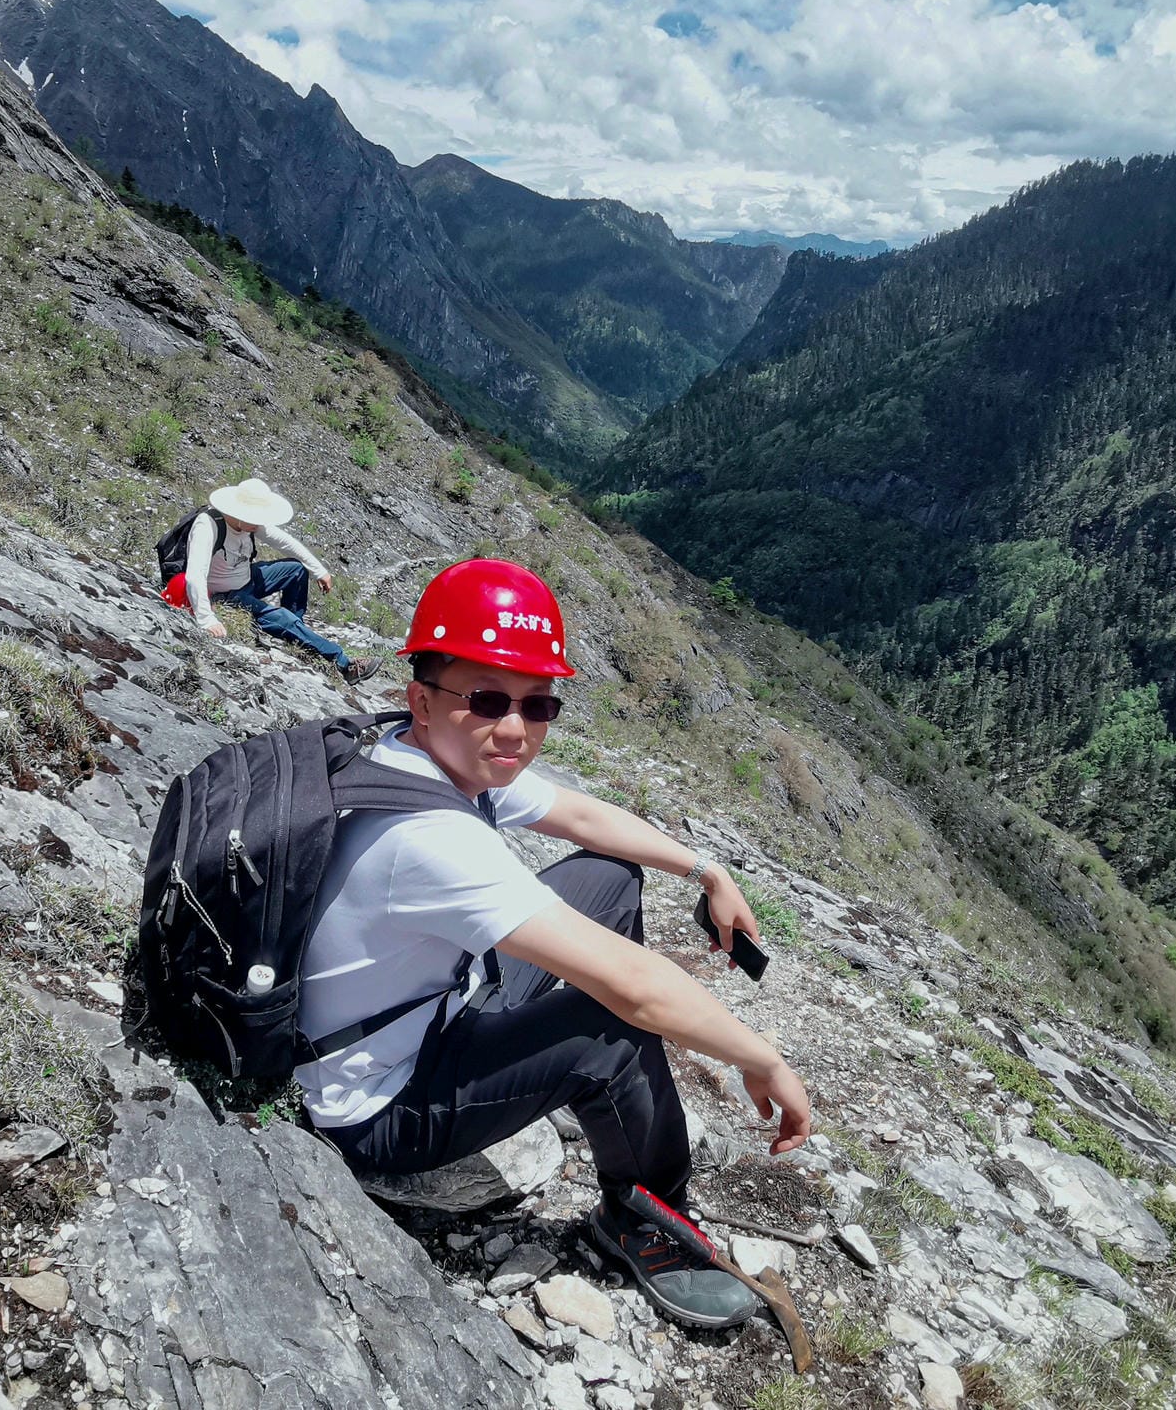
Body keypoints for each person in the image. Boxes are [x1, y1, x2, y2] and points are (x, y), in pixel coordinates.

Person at [297, 558, 812, 1330]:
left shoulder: (417, 752)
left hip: (422, 1009)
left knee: (609, 878)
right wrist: (762, 1058)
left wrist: (708, 871)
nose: (515, 728)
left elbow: (582, 818)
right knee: (612, 1027)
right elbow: (635, 987)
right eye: (487, 700)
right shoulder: (428, 838)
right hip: (375, 1105)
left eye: (538, 705)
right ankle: (640, 1219)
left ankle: (606, 1097)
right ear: (422, 698)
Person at [182, 478, 380, 684]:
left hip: (246, 579)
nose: (258, 524)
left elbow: (285, 542)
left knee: (296, 569)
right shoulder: (208, 525)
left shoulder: (249, 524)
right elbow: (195, 574)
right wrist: (207, 619)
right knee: (283, 619)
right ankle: (345, 664)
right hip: (224, 595)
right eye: (254, 518)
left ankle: (298, 634)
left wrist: (319, 571)